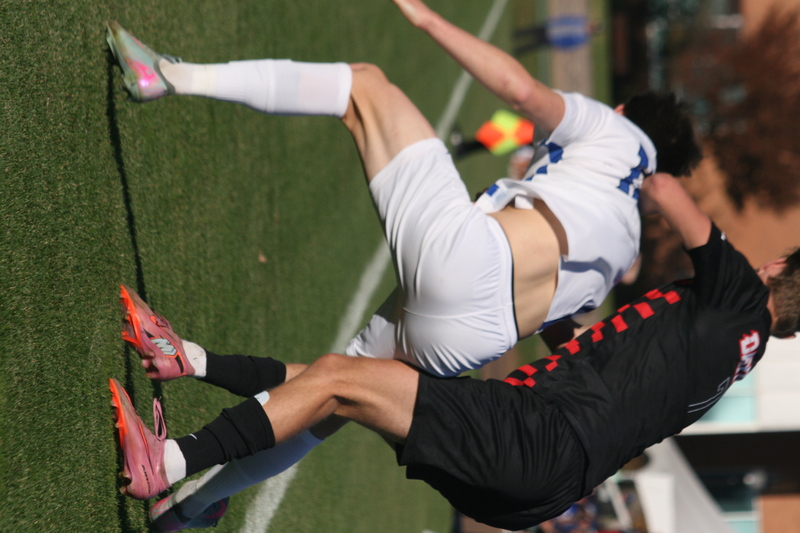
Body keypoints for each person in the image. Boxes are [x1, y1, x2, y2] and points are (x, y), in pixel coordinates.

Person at [105, 0, 700, 526]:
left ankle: (167, 75)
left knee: (365, 87)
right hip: (474, 341)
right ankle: (188, 502)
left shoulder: (613, 130)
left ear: (624, 109)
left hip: (470, 260)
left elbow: (521, 93)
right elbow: (557, 324)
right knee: (329, 394)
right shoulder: (626, 251)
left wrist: (425, 16)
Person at [111, 171, 800, 530]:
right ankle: (189, 372)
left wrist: (631, 155)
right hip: (548, 486)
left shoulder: (740, 291)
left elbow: (667, 189)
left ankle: (166, 463)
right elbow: (613, 366)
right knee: (346, 386)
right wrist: (554, 321)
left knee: (340, 384)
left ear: (777, 268)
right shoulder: (745, 354)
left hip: (537, 435)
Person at [513, 15, 603, 56]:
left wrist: (557, 44)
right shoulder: (582, 21)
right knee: (532, 30)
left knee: (534, 44)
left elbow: (569, 44)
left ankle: (517, 50)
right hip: (553, 27)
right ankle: (515, 35)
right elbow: (567, 19)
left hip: (555, 38)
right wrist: (554, 22)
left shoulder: (583, 39)